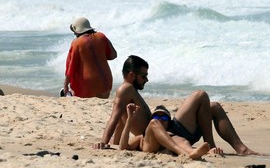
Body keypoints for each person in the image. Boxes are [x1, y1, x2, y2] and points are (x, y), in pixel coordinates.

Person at [94, 55, 257, 156]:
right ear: (131, 75)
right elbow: (114, 118)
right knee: (200, 95)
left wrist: (112, 144)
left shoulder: (129, 93)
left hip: (169, 131)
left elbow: (120, 122)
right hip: (163, 134)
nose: (146, 80)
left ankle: (241, 149)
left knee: (213, 106)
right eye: (143, 76)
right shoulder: (126, 89)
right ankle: (211, 147)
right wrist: (104, 142)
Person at [119, 103, 221, 159]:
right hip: (150, 146)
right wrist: (129, 120)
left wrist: (209, 151)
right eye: (157, 116)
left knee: (180, 139)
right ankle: (182, 153)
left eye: (164, 118)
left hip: (169, 143)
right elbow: (123, 147)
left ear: (169, 122)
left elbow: (184, 144)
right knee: (155, 124)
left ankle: (192, 153)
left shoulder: (172, 136)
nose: (160, 120)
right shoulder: (142, 137)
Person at [64, 17, 117, 98]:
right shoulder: (101, 36)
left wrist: (65, 85)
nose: (74, 34)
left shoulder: (76, 43)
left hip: (88, 85)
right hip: (106, 81)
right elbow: (113, 55)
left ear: (77, 30)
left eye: (74, 31)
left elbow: (71, 68)